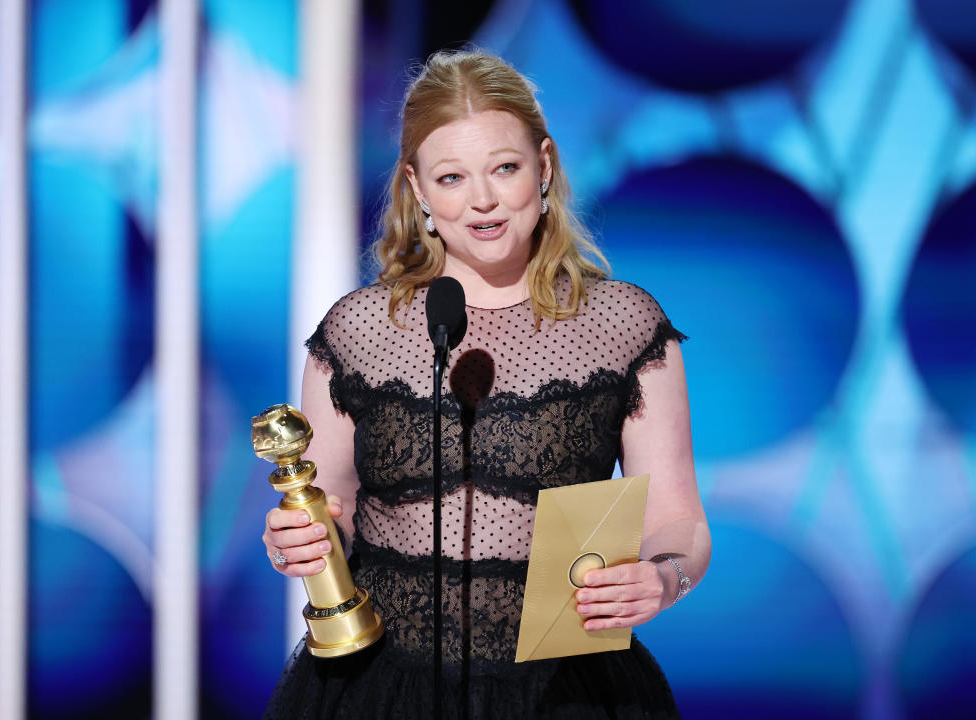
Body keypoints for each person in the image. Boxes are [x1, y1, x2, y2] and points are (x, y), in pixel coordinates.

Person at [261, 49, 710, 719]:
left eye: (505, 168)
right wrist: (300, 536)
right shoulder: (357, 331)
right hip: (383, 689)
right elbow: (335, 510)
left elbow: (677, 520)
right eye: (451, 177)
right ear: (417, 189)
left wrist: (661, 575)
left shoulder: (622, 324)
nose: (482, 200)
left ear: (545, 167)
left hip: (568, 691)